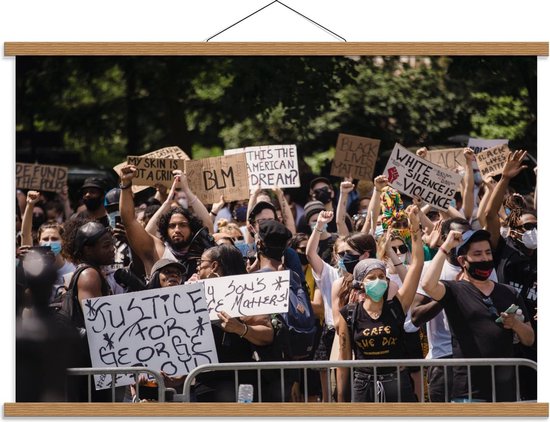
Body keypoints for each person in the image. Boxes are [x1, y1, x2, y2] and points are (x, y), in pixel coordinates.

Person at [421, 228, 534, 402]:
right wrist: (445, 247)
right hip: (469, 393)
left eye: (488, 253)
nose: (485, 259)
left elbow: (529, 339)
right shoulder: (454, 290)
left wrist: (516, 325)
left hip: (507, 392)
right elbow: (428, 285)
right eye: (478, 254)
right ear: (462, 261)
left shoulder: (509, 292)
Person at [337, 205, 423, 403]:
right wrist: (341, 401)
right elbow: (343, 360)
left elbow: (417, 265)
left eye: (382, 277)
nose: (378, 281)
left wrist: (415, 227)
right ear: (360, 284)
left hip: (397, 382)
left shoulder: (397, 306)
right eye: (372, 278)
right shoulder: (348, 314)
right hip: (363, 384)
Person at [484, 150, 537, 399]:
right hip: (505, 339)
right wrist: (504, 179)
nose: (533, 230)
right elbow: (489, 216)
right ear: (515, 229)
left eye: (537, 225)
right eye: (528, 226)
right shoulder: (503, 250)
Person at [190, 245, 274, 402]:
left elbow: (267, 334)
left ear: (214, 265)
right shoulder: (193, 295)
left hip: (240, 382)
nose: (198, 266)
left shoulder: (247, 293)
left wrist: (240, 328)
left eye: (201, 262)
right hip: (206, 382)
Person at [118, 165, 215, 278]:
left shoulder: (203, 253)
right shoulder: (158, 252)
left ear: (192, 228)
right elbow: (129, 221)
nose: (177, 230)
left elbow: (208, 224)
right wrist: (125, 185)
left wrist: (187, 190)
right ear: (165, 229)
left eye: (183, 225)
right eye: (172, 226)